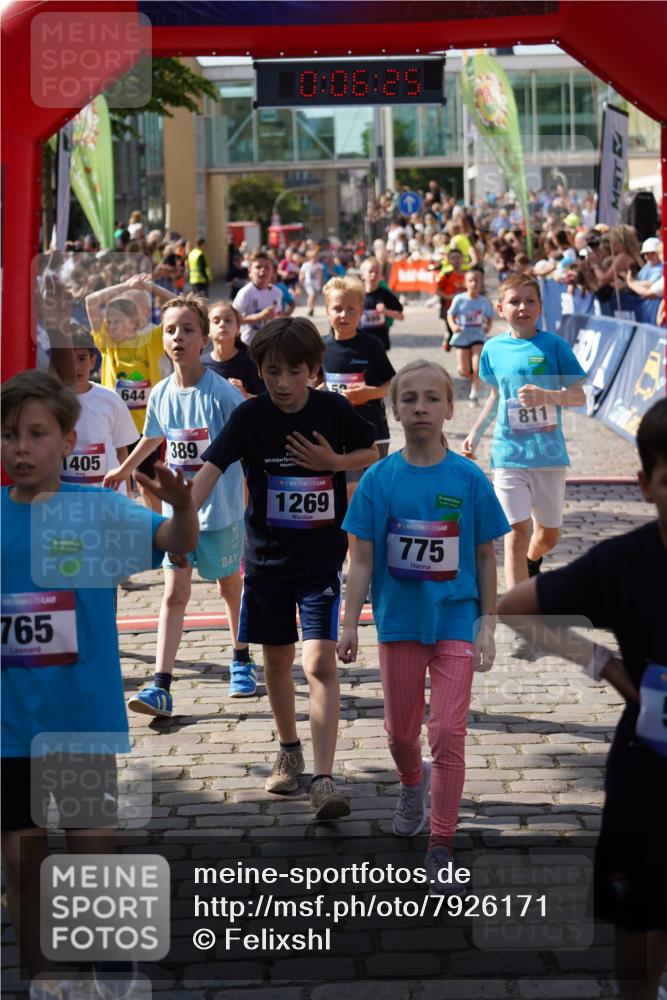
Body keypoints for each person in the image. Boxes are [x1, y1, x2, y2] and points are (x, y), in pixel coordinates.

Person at [1, 369, 197, 995]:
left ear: (67, 440)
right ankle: (45, 980)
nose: (21, 447)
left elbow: (174, 541)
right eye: (9, 435)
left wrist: (183, 503)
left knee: (93, 860)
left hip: (81, 718)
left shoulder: (98, 509)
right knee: (22, 863)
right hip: (9, 727)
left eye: (36, 434)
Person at [497, 398, 667, 1000]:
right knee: (638, 918)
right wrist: (604, 663)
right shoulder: (625, 563)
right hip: (649, 774)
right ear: (646, 486)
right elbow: (513, 606)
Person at [191, 317, 378, 819]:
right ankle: (288, 748)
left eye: (293, 372)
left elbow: (374, 450)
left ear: (313, 370)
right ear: (260, 371)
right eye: (272, 371)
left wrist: (333, 463)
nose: (281, 382)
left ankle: (324, 777)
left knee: (318, 662)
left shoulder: (333, 409)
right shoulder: (251, 417)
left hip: (320, 560)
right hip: (267, 561)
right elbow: (212, 466)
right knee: (275, 662)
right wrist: (187, 513)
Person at [338, 360, 510, 886]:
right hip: (400, 624)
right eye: (408, 398)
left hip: (456, 619)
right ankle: (413, 783)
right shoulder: (378, 481)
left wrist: (488, 623)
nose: (420, 407)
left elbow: (485, 557)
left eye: (432, 398)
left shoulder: (468, 478)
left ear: (450, 409)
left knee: (447, 732)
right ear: (393, 411)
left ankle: (442, 839)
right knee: (399, 733)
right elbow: (361, 560)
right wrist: (349, 623)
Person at [104, 294, 251, 710]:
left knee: (228, 587)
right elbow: (154, 435)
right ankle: (160, 683)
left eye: (187, 329)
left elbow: (247, 436)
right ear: (163, 341)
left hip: (220, 514)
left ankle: (241, 656)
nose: (178, 337)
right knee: (173, 594)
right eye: (170, 330)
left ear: (203, 339)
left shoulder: (221, 393)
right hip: (176, 517)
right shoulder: (162, 392)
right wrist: (124, 468)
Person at [461, 274, 586, 597]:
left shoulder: (554, 346)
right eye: (515, 301)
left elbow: (579, 396)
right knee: (516, 530)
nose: (523, 307)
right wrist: (475, 433)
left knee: (548, 536)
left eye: (530, 301)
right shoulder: (493, 349)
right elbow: (495, 395)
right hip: (508, 455)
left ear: (540, 308)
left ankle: (534, 560)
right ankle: (519, 611)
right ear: (500, 308)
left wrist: (548, 397)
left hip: (548, 456)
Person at [86, 272, 173, 513]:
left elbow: (182, 306)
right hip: (113, 425)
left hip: (146, 428)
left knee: (147, 484)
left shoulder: (153, 339)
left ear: (133, 322)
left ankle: (158, 526)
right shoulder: (107, 344)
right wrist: (125, 284)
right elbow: (90, 302)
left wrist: (151, 286)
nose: (110, 326)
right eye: (109, 321)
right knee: (116, 479)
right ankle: (122, 521)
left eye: (116, 321)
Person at [320, 276, 395, 532]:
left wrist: (370, 393)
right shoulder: (321, 347)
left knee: (374, 495)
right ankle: (354, 561)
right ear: (327, 311)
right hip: (339, 435)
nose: (344, 314)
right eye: (337, 308)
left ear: (361, 312)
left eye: (351, 309)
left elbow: (393, 384)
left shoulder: (370, 345)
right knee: (350, 495)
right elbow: (319, 385)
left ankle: (374, 556)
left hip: (374, 432)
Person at [62, 328, 138, 491]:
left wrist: (126, 493)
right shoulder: (49, 402)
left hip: (105, 496)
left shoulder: (110, 400)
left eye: (81, 358)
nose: (76, 367)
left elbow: (121, 450)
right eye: (69, 359)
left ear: (93, 360)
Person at [447, 269, 495, 405]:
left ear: (481, 283)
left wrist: (488, 326)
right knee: (463, 370)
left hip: (478, 336)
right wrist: (453, 326)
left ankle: (474, 394)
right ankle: (471, 376)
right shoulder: (459, 299)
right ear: (465, 283)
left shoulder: (484, 301)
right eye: (471, 281)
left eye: (477, 281)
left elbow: (489, 316)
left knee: (477, 365)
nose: (474, 283)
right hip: (462, 336)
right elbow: (450, 314)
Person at [202, 301, 266, 398]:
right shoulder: (199, 365)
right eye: (216, 321)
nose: (222, 324)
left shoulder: (252, 363)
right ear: (208, 331)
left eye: (228, 320)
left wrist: (244, 395)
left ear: (238, 328)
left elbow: (267, 402)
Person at [233, 251, 283, 347]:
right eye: (258, 267)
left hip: (270, 343)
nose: (263, 270)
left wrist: (279, 317)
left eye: (267, 267)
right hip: (249, 344)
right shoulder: (245, 293)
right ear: (250, 272)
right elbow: (233, 319)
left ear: (272, 272)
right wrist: (259, 316)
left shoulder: (277, 292)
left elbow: (278, 315)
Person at [358, 257, 404, 351]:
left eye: (377, 272)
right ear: (362, 275)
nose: (373, 275)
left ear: (381, 276)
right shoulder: (357, 294)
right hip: (360, 342)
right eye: (370, 271)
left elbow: (401, 316)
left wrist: (385, 311)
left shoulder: (385, 294)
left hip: (380, 342)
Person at [436, 247, 467, 353]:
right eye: (453, 258)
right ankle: (448, 337)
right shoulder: (446, 275)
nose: (456, 260)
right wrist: (448, 297)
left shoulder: (467, 275)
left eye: (458, 257)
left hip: (465, 310)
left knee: (463, 332)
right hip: (449, 309)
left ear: (462, 259)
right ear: (449, 260)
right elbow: (438, 290)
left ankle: (463, 349)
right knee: (451, 330)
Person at [299, 248, 324, 317]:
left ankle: (312, 308)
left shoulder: (320, 265)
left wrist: (321, 283)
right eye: (313, 257)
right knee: (312, 295)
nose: (314, 258)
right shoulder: (306, 265)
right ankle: (309, 309)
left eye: (316, 257)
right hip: (308, 283)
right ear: (309, 257)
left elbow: (321, 275)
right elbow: (302, 273)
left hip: (316, 283)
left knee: (315, 297)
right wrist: (301, 279)